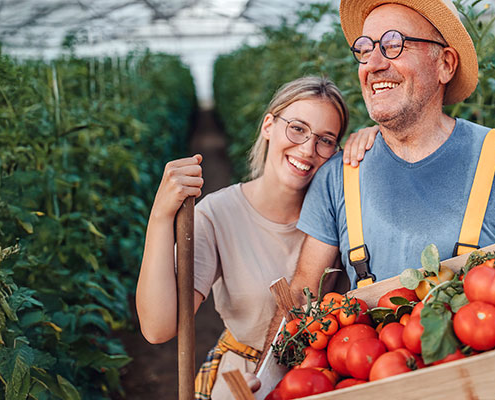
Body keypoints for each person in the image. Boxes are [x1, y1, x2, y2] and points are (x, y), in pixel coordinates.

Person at [274, 1, 495, 399]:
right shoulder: (339, 174)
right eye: (365, 49)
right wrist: (269, 376)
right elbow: (303, 294)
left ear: (445, 65)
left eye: (393, 44)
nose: (373, 63)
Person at [135, 76, 376, 399]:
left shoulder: (347, 209)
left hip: (328, 379)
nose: (307, 149)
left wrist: (380, 146)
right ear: (268, 126)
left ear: (337, 150)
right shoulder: (218, 214)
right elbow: (158, 327)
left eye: (326, 139)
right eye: (297, 128)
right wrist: (161, 216)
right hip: (247, 385)